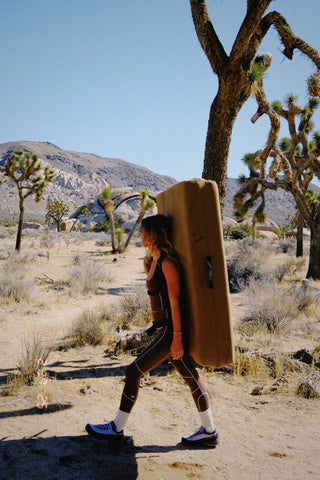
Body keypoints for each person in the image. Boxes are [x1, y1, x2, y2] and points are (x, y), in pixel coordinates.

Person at [86, 214, 219, 446]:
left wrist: (177, 338)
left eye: (143, 232)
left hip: (170, 331)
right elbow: (155, 291)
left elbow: (175, 300)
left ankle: (116, 428)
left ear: (153, 236)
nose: (139, 235)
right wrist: (148, 267)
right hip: (163, 330)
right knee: (191, 378)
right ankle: (209, 431)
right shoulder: (154, 261)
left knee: (133, 372)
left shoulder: (168, 263)